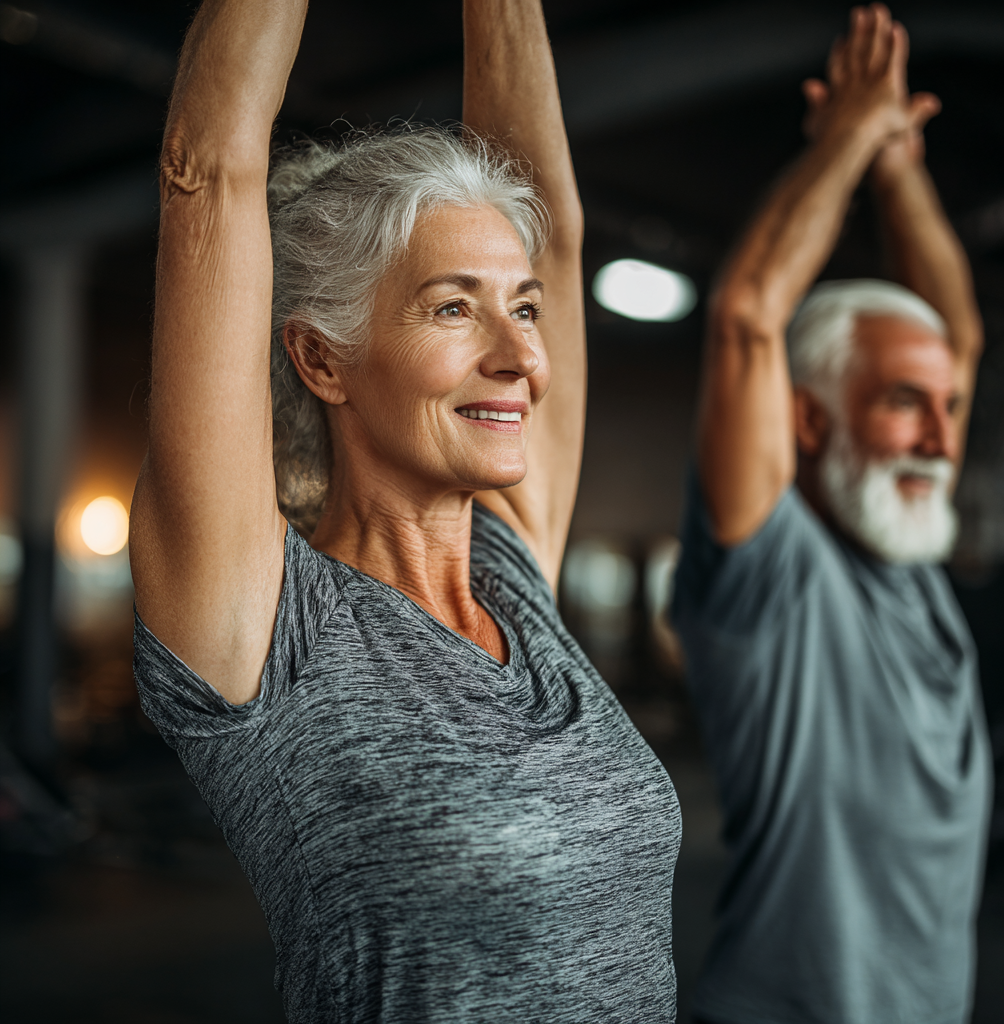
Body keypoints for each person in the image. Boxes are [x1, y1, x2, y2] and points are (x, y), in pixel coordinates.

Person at [129, 1, 681, 1021]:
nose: (521, 358)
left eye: (520, 306)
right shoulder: (266, 629)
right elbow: (207, 174)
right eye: (452, 306)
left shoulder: (513, 579)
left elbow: (548, 220)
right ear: (321, 358)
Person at [671, 6, 990, 1024]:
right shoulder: (775, 576)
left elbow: (961, 341)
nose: (941, 440)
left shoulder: (906, 547)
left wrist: (899, 168)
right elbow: (747, 317)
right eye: (902, 405)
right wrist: (849, 139)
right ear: (806, 422)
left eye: (944, 409)